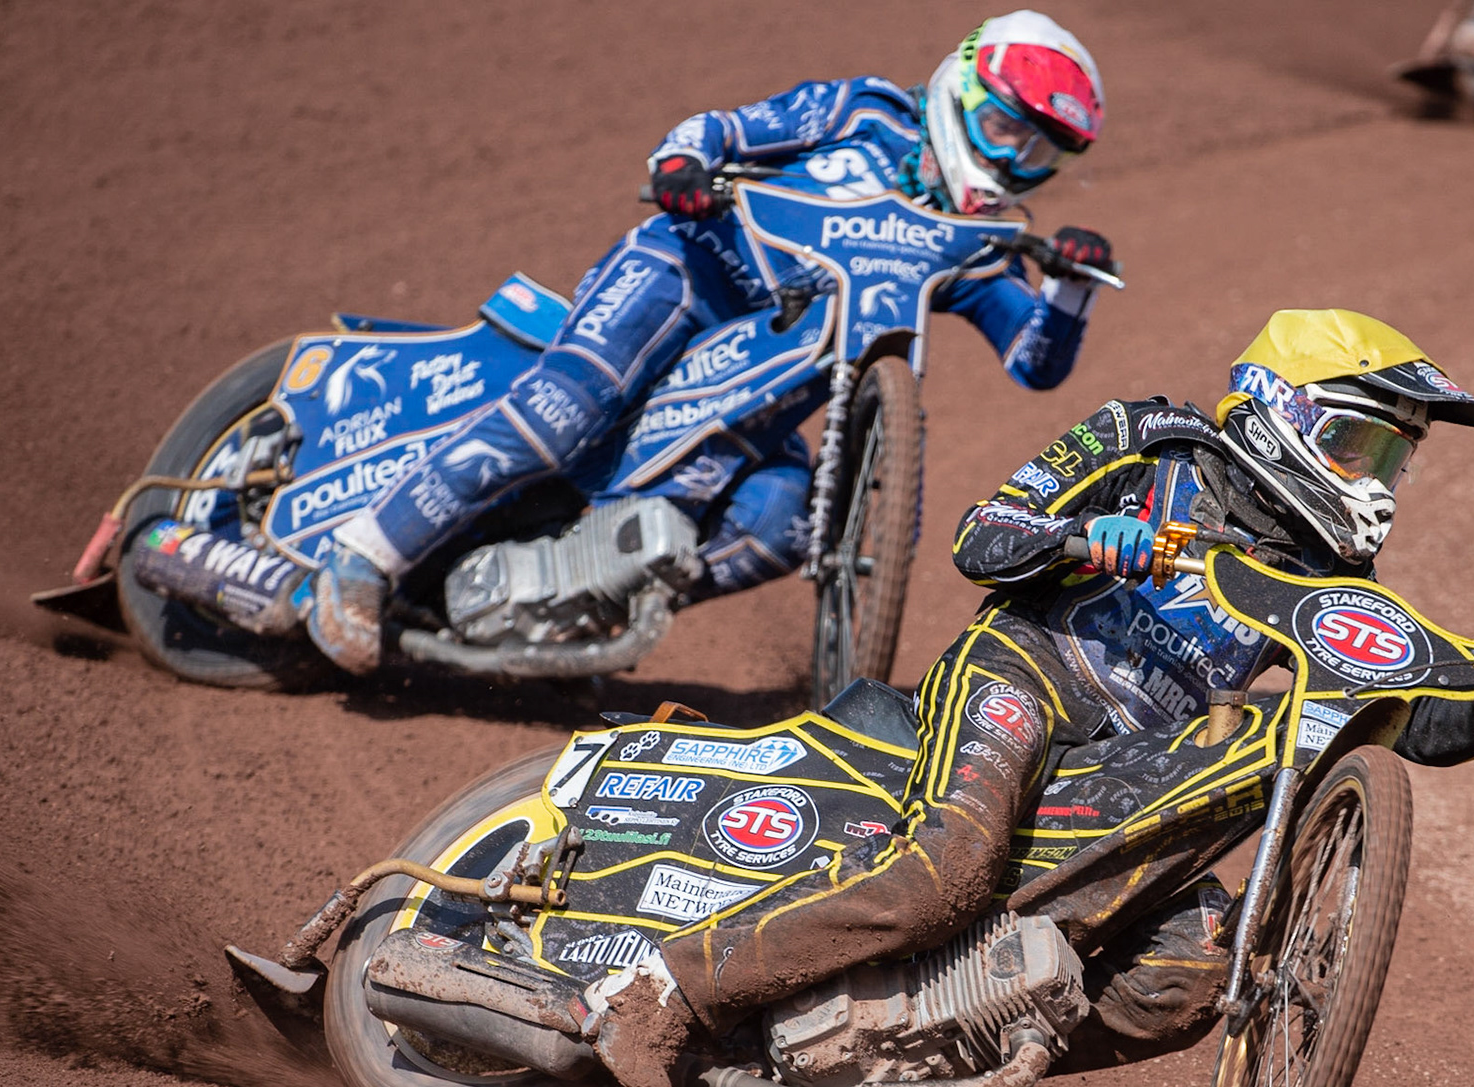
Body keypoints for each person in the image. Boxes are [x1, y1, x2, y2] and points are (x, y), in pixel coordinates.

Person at [588, 308, 1474, 1087]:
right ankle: (665, 990)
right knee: (946, 872)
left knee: (1184, 973)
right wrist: (1083, 539)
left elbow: (1404, 721)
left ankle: (916, 1050)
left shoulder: (1334, 570)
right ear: (1282, 408)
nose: (1374, 483)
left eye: (1393, 459)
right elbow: (981, 534)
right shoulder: (1149, 440)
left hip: (1131, 765)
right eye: (1355, 445)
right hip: (1023, 675)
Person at [305, 10, 1117, 673]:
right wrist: (684, 165)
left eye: (1042, 150)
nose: (1015, 158)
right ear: (962, 84)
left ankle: (575, 615)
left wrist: (1071, 286)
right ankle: (363, 557)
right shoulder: (866, 112)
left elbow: (1034, 361)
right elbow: (723, 130)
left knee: (778, 520)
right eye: (1007, 126)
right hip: (684, 271)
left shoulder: (968, 240)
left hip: (766, 386)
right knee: (565, 410)